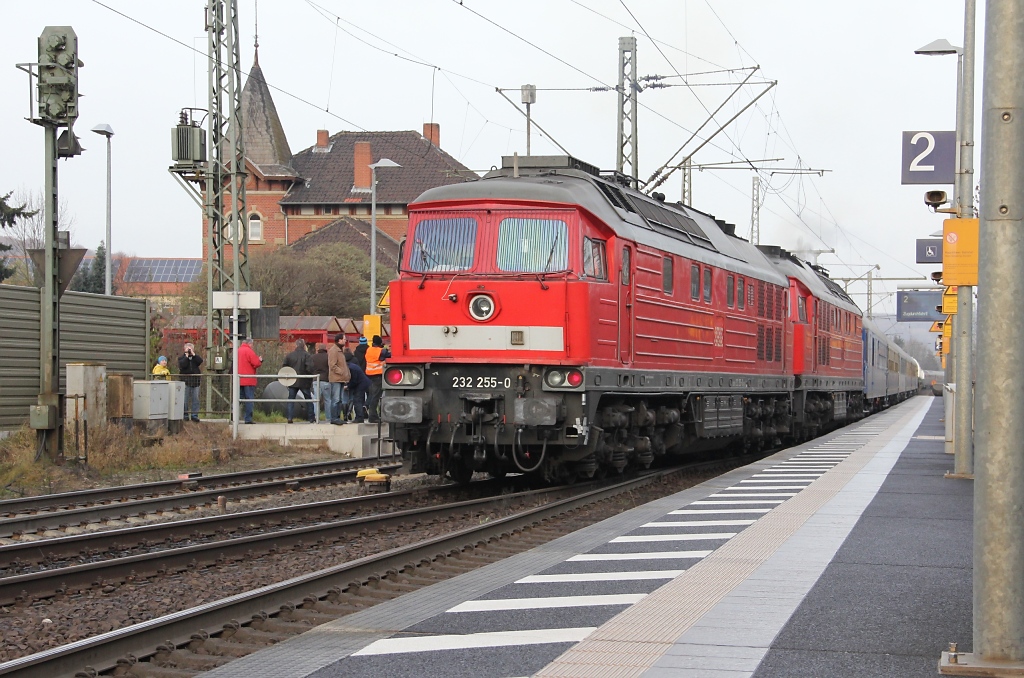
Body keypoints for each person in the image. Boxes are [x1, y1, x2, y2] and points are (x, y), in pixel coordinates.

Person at [283, 339, 316, 424]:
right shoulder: (307, 355)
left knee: (291, 400)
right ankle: (311, 418)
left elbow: (284, 367)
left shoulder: (290, 355)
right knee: (308, 399)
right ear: (304, 345)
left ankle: (289, 417)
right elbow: (310, 368)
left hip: (292, 381)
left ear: (296, 345)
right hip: (304, 381)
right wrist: (309, 377)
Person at [364, 335, 391, 423]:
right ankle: (373, 416)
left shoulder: (369, 349)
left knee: (372, 395)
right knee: (376, 396)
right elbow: (389, 355)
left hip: (369, 374)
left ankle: (371, 413)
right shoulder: (380, 351)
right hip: (377, 375)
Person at [326, 333, 351, 425]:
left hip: (341, 379)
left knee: (340, 399)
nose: (345, 341)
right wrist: (341, 372)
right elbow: (332, 365)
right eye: (344, 339)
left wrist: (346, 374)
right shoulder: (334, 350)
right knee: (336, 399)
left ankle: (337, 417)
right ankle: (334, 418)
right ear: (339, 340)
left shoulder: (340, 350)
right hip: (336, 378)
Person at [237, 338, 262, 424]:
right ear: (250, 343)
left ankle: (233, 415)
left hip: (239, 379)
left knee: (237, 399)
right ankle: (248, 419)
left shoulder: (238, 350)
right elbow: (256, 363)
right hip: (248, 379)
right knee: (249, 399)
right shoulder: (249, 351)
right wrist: (260, 360)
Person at [177, 343, 203, 422]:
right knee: (185, 399)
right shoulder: (181, 358)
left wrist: (193, 354)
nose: (189, 350)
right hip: (186, 381)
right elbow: (183, 365)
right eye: (187, 349)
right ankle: (185, 414)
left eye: (190, 348)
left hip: (195, 382)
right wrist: (186, 356)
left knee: (196, 399)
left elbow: (200, 361)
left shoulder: (195, 358)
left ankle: (194, 415)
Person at [346, 359, 371, 423]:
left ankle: (359, 417)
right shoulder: (352, 366)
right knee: (359, 399)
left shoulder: (351, 369)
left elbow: (354, 381)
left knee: (357, 400)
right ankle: (362, 412)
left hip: (361, 384)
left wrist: (348, 386)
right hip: (365, 383)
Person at [311, 342, 330, 422]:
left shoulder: (313, 357)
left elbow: (310, 368)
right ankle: (328, 418)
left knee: (316, 400)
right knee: (327, 400)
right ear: (325, 349)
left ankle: (316, 417)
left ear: (318, 349)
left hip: (316, 380)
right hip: (326, 380)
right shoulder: (328, 357)